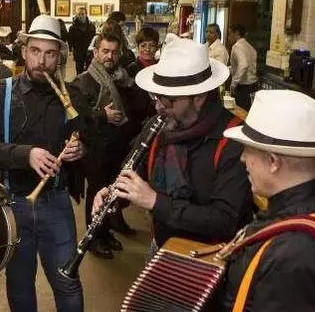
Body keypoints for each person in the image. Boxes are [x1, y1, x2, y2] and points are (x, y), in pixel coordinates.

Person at [113, 90, 315, 312]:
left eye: (247, 151)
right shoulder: (314, 205)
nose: (241, 159)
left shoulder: (296, 252)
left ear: (273, 161)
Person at [0, 15, 95, 312]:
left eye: (50, 54)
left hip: (56, 202)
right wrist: (25, 154)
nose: (41, 61)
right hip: (13, 202)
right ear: (24, 51)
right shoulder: (0, 93)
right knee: (19, 285)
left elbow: (90, 142)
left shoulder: (72, 96)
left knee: (66, 280)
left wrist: (81, 152)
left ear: (60, 56)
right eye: (35, 51)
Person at [93, 37, 254, 251]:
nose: (158, 107)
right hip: (161, 246)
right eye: (155, 97)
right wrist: (114, 195)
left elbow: (224, 220)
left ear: (199, 97)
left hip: (211, 259)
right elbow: (133, 174)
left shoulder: (234, 140)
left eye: (168, 100)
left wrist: (155, 201)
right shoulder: (158, 126)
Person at [73, 32, 148, 258]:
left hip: (118, 148)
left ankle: (105, 232)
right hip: (95, 151)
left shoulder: (121, 78)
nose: (110, 56)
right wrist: (101, 115)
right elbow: (76, 119)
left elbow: (137, 108)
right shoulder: (83, 81)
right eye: (105, 51)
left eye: (114, 52)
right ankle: (93, 239)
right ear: (96, 52)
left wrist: (131, 87)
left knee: (111, 192)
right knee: (96, 193)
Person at [228, 24, 259, 110]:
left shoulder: (237, 46)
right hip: (254, 85)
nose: (229, 37)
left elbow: (243, 65)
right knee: (250, 112)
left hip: (243, 88)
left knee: (241, 113)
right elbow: (243, 65)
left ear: (236, 33)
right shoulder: (251, 47)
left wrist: (233, 84)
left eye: (230, 33)